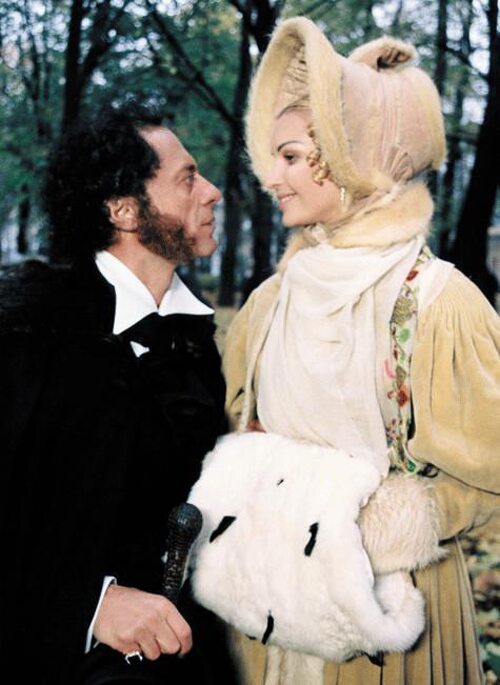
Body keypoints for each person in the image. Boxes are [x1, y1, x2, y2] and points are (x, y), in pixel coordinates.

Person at [221, 17, 500, 685]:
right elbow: (233, 427)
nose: (273, 178)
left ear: (350, 159)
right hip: (267, 613)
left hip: (391, 624)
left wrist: (398, 521)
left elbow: (490, 467)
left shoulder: (437, 302)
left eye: (291, 156)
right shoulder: (267, 304)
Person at [0, 102, 233, 684]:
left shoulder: (195, 345)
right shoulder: (29, 331)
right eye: (187, 178)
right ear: (124, 210)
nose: (212, 192)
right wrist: (92, 604)